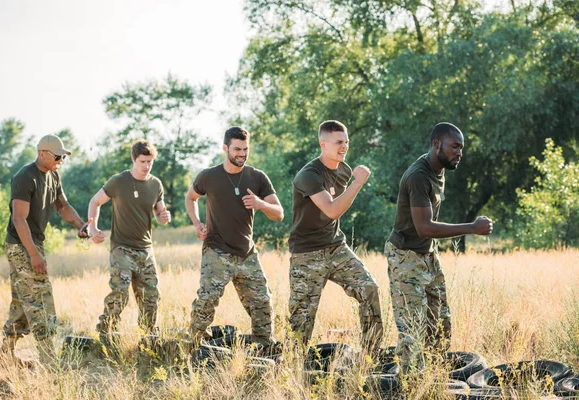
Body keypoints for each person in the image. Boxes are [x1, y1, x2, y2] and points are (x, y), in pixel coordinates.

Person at [385, 122, 493, 374]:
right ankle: (407, 382)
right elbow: (424, 227)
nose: (460, 153)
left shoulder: (440, 169)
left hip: (427, 253)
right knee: (413, 329)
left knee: (440, 324)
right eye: (455, 147)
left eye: (462, 148)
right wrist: (472, 227)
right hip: (405, 256)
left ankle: (433, 379)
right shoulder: (418, 176)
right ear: (437, 145)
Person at [288, 120, 383, 356]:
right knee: (302, 319)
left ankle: (371, 357)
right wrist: (358, 183)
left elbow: (338, 207)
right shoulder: (308, 175)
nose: (344, 147)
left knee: (369, 289)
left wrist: (352, 180)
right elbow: (331, 210)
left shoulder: (344, 169)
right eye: (339, 142)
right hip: (307, 252)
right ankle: (291, 370)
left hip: (335, 247)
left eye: (347, 142)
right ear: (323, 144)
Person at [185, 126, 283, 347]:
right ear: (225, 148)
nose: (242, 153)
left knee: (262, 303)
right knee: (207, 302)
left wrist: (260, 204)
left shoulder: (257, 177)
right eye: (237, 149)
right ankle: (191, 349)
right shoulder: (208, 176)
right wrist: (197, 223)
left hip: (246, 253)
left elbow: (279, 213)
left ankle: (264, 350)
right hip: (216, 250)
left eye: (245, 149)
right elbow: (191, 198)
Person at [0, 134, 90, 367]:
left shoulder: (54, 175)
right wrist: (34, 253)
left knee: (22, 301)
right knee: (40, 297)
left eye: (63, 156)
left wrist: (81, 226)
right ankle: (49, 362)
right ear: (42, 154)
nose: (61, 159)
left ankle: (5, 357)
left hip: (32, 243)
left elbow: (63, 206)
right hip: (21, 244)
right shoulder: (25, 178)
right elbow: (19, 219)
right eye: (57, 155)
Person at [88, 139, 170, 341]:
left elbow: (160, 214)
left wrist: (163, 218)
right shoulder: (119, 181)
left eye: (150, 161)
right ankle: (106, 333)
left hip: (146, 249)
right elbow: (95, 201)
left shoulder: (156, 184)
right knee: (120, 293)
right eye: (142, 161)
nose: (146, 166)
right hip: (122, 248)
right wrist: (93, 228)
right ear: (134, 159)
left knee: (151, 296)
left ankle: (148, 337)